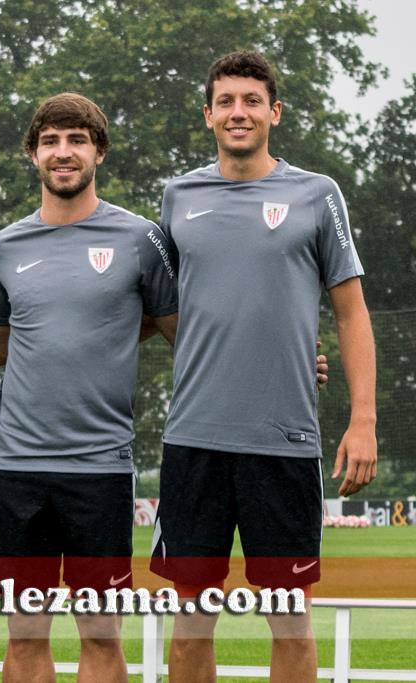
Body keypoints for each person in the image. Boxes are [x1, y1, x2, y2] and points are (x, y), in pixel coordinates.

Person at [149, 50, 377, 681]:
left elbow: (352, 313)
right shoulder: (177, 196)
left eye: (252, 101)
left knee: (290, 620)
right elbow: (159, 309)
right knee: (191, 621)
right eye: (226, 101)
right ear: (208, 115)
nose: (239, 112)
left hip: (284, 442)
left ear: (274, 112)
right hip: (193, 440)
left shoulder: (315, 194)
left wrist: (363, 420)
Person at [0, 92, 179, 681]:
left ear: (98, 152)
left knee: (102, 638)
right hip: (16, 471)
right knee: (24, 637)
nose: (64, 153)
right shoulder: (6, 246)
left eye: (77, 140)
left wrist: (281, 367)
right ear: (32, 153)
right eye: (51, 141)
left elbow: (186, 337)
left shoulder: (142, 239)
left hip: (101, 471)